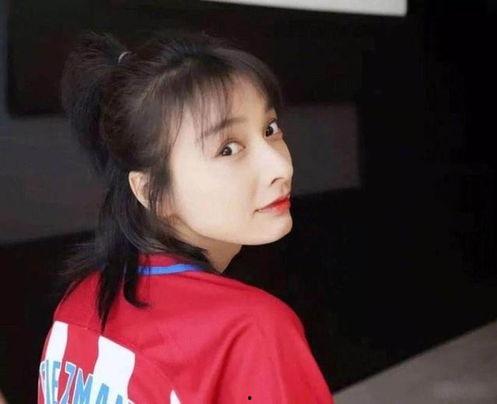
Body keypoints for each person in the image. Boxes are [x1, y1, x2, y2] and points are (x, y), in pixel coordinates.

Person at [37, 28, 334, 403]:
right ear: (151, 191)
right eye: (228, 149)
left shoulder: (76, 305)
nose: (280, 167)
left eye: (270, 129)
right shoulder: (251, 329)